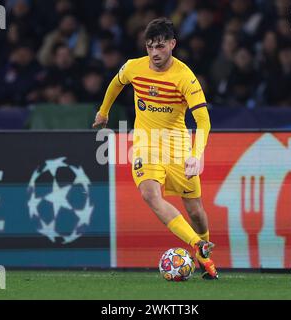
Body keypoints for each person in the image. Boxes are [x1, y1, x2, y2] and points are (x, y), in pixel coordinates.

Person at [92, 18, 218, 280]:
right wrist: (103, 112)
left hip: (178, 147)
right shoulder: (134, 67)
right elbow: (117, 83)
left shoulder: (185, 77)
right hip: (145, 144)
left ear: (172, 44)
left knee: (195, 210)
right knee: (150, 194)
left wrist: (196, 154)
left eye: (160, 46)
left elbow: (203, 120)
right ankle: (196, 243)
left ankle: (204, 248)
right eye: (150, 47)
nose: (155, 53)